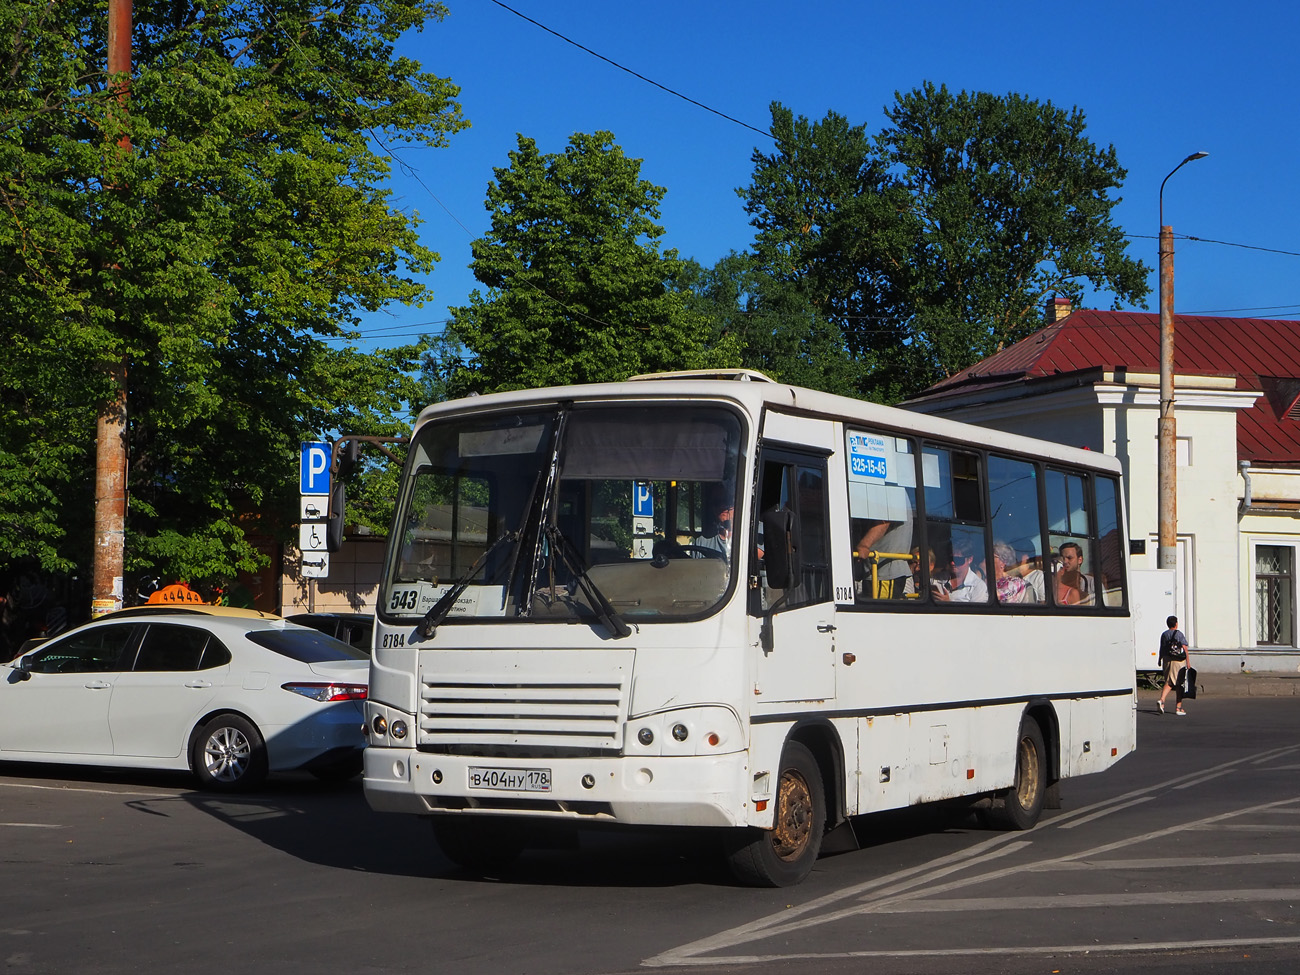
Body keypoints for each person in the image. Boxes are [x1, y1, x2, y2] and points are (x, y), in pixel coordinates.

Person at [855, 510, 913, 598]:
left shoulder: (888, 497)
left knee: (876, 610)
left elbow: (884, 522)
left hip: (884, 573)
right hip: (877, 571)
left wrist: (864, 545)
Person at [933, 537, 987, 603]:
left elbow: (977, 612)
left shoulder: (978, 586)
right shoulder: (937, 578)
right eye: (951, 559)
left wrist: (949, 603)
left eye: (958, 560)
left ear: (970, 559)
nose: (952, 563)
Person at [1157, 615, 1191, 715]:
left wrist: (1159, 660)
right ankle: (1178, 707)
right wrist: (1188, 662)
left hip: (1167, 660)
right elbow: (1184, 648)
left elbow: (1162, 648)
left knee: (1169, 681)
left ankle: (1162, 701)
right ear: (1176, 624)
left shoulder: (1164, 634)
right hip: (1178, 661)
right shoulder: (1179, 634)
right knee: (1179, 683)